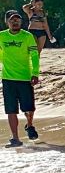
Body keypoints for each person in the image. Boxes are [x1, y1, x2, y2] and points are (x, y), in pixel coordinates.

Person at [2, 9, 40, 147]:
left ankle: (29, 125)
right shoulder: (1, 36)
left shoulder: (27, 36)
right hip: (8, 79)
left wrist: (35, 73)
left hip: (25, 78)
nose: (15, 21)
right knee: (11, 110)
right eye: (12, 19)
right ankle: (15, 138)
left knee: (29, 108)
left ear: (21, 21)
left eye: (17, 19)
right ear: (7, 22)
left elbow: (34, 56)